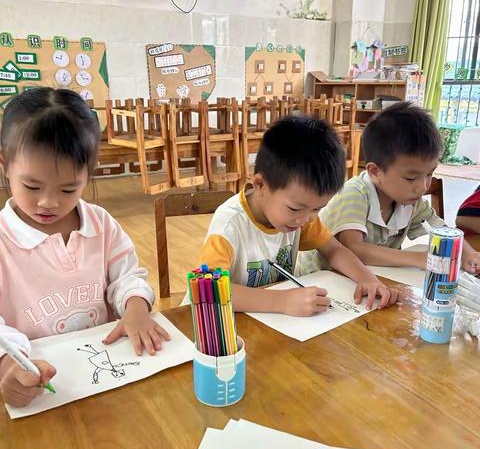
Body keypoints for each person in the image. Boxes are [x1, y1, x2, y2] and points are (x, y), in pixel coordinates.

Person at [0, 87, 170, 407]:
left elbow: (128, 275)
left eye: (68, 188)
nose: (48, 202)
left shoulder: (100, 224)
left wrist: (135, 307)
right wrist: (8, 365)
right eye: (32, 186)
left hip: (110, 377)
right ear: (5, 164)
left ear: (89, 173)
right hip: (39, 388)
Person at [197, 115, 398, 317]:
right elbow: (210, 291)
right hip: (225, 326)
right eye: (294, 208)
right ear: (260, 185)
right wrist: (282, 301)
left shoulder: (301, 216)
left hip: (274, 323)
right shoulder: (230, 226)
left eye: (318, 209)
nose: (306, 219)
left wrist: (367, 278)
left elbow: (334, 250)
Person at [316, 102, 480, 272]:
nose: (422, 187)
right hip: (321, 281)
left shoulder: (410, 200)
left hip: (369, 279)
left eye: (429, 174)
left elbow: (442, 230)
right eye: (411, 178)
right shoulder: (355, 194)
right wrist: (417, 259)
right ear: (375, 172)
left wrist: (468, 253)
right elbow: (353, 249)